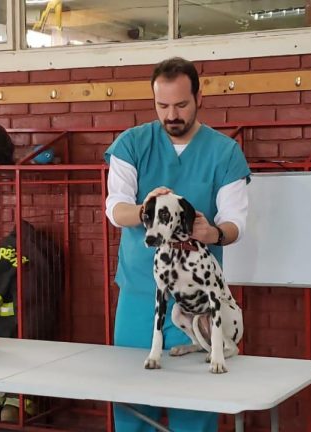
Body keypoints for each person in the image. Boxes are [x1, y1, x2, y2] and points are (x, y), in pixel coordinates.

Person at [104, 57, 251, 431]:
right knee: (133, 406)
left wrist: (214, 233)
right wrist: (144, 210)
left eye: (181, 105)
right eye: (162, 105)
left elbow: (236, 222)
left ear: (199, 97)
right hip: (141, 295)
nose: (172, 114)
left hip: (200, 303)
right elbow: (115, 207)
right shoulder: (131, 144)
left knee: (196, 409)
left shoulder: (225, 153)